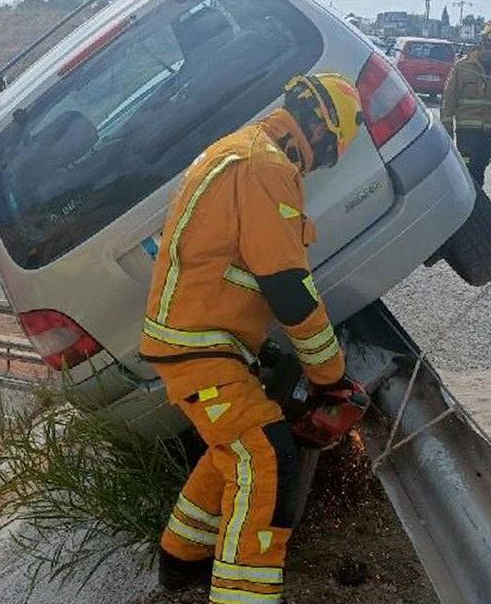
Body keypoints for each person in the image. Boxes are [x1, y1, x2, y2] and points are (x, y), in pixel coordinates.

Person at [142, 71, 369, 603]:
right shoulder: (267, 167)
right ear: (318, 130)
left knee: (235, 449)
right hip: (199, 345)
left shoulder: (242, 151)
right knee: (266, 458)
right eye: (330, 154)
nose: (320, 166)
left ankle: (179, 563)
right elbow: (289, 289)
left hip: (199, 340)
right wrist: (332, 381)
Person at [440, 19, 491, 185]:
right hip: (467, 131)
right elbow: (448, 99)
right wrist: (447, 129)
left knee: (479, 172)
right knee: (466, 171)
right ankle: (467, 206)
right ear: (484, 38)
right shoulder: (463, 66)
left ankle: (476, 206)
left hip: (490, 132)